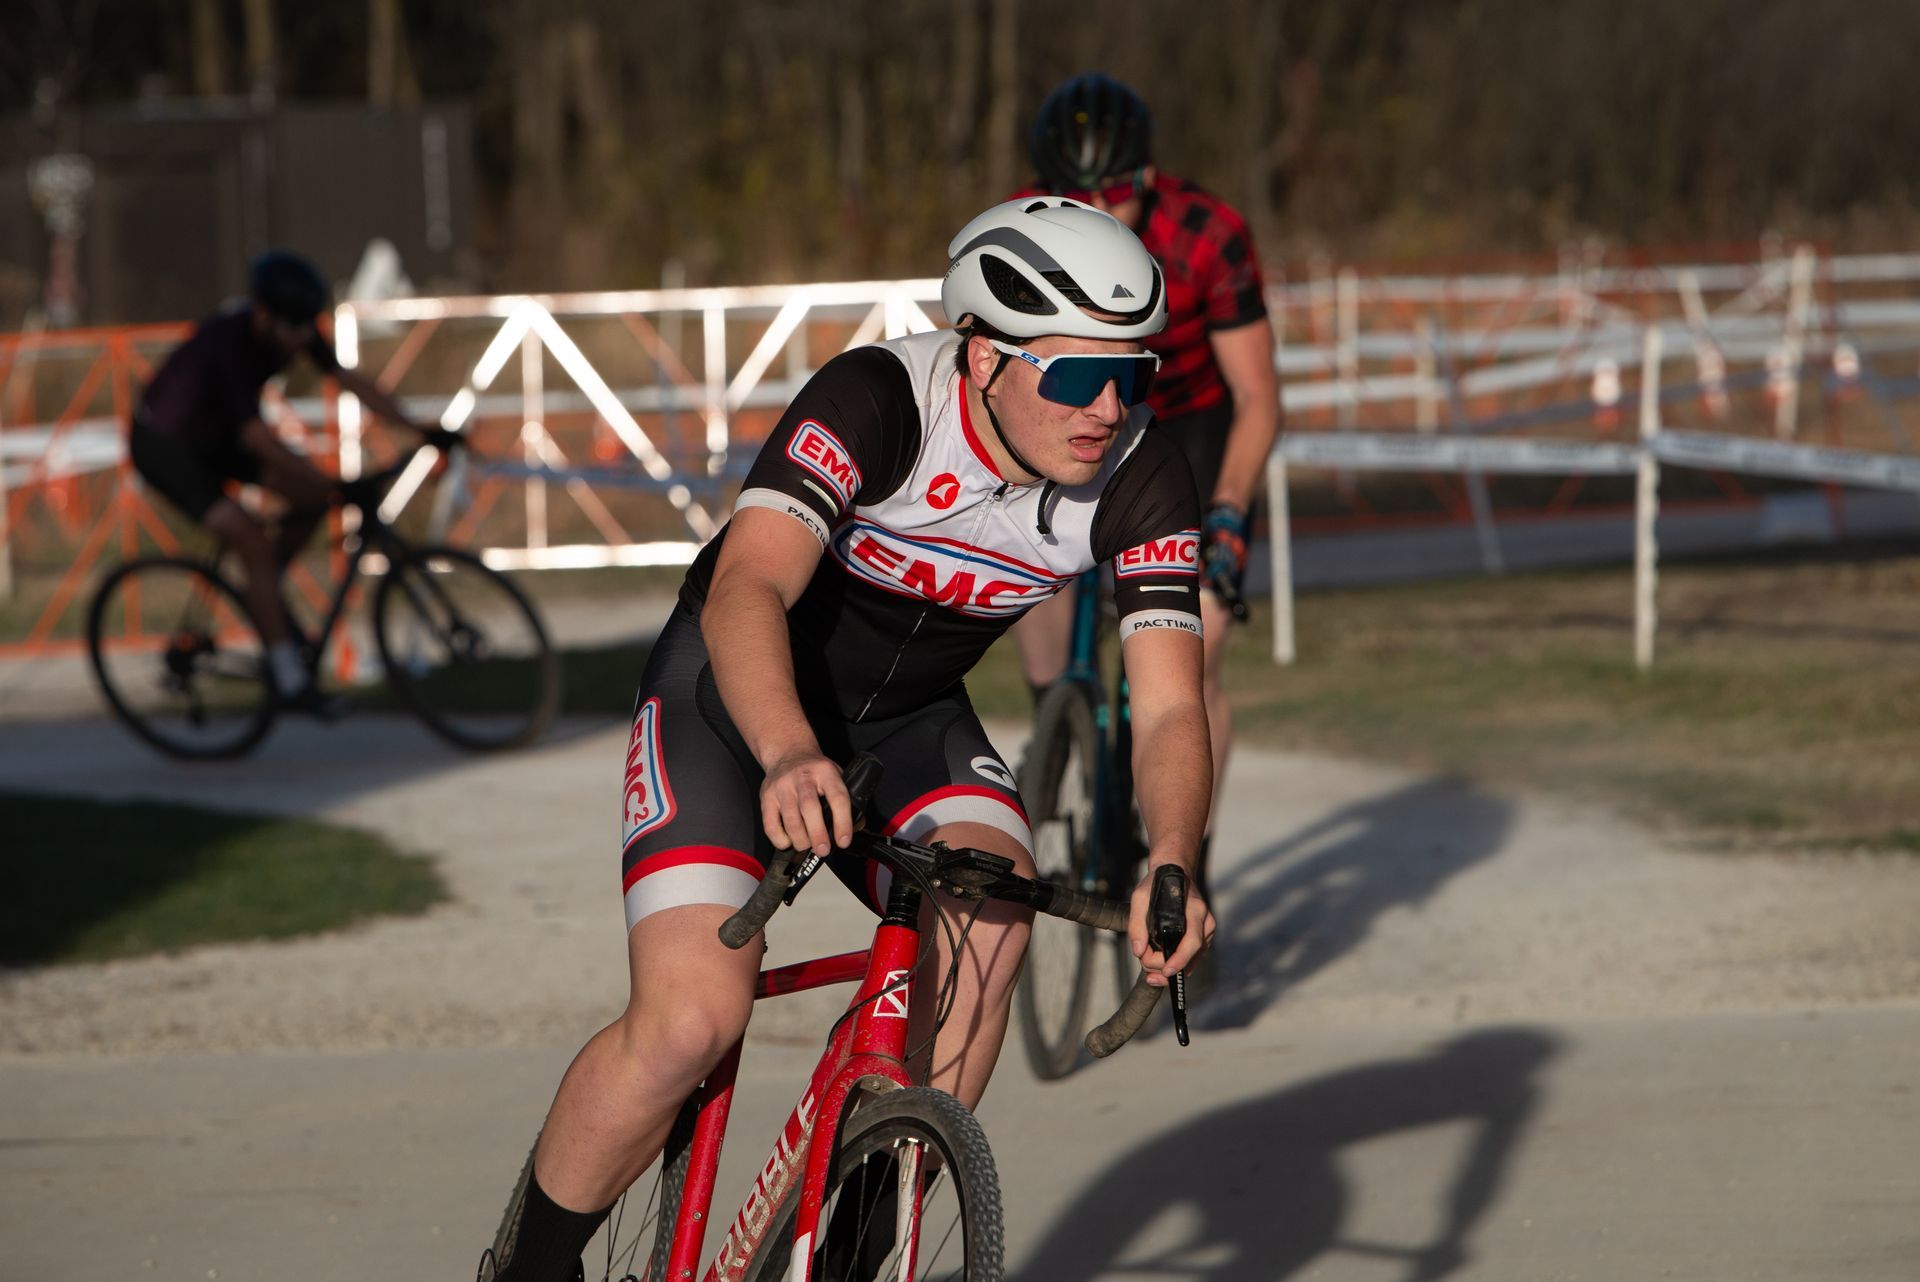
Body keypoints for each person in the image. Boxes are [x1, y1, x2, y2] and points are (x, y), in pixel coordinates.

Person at [478, 197, 1217, 1282]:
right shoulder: (877, 402)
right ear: (981, 357)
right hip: (732, 702)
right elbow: (747, 588)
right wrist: (784, 750)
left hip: (910, 720)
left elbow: (1165, 706)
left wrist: (1173, 855)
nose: (1109, 406)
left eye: (1134, 375)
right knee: (689, 1022)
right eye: (1073, 375)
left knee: (992, 921)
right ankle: (528, 1269)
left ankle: (849, 1250)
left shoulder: (1143, 472)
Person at [1011, 72, 1283, 941]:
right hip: (1081, 415)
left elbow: (1258, 396)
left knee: (1193, 656)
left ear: (1151, 176)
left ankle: (1180, 867)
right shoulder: (1026, 231)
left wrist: (1231, 517)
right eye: (1077, 194)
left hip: (1194, 431)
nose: (1100, 208)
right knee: (1032, 567)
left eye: (1118, 191)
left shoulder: (1209, 234)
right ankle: (1056, 723)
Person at [127, 250, 435, 708]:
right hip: (167, 446)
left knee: (312, 500)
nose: (302, 336)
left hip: (217, 436)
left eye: (309, 324)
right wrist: (332, 481)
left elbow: (350, 380)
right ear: (265, 314)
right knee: (250, 533)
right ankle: (290, 677)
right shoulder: (228, 345)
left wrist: (419, 428)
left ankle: (262, 588)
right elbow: (259, 438)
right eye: (294, 325)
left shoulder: (293, 328)